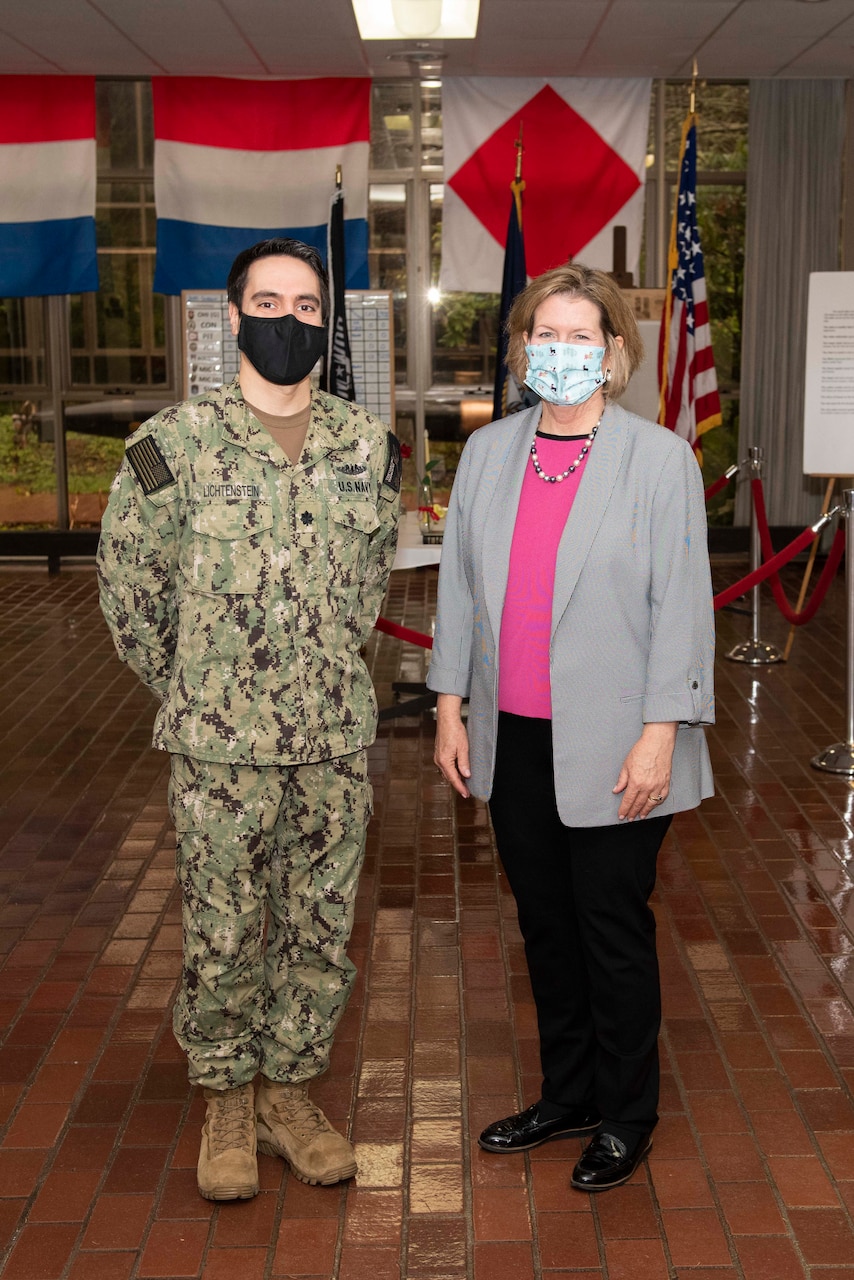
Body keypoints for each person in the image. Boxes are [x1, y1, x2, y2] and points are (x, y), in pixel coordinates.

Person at [98, 238, 401, 1201]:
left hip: (332, 742)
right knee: (224, 927)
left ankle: (291, 1092)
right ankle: (227, 1097)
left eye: (307, 308)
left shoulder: (367, 447)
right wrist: (204, 690)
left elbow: (366, 595)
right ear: (230, 317)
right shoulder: (169, 449)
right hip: (220, 748)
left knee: (319, 928)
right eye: (268, 302)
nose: (287, 321)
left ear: (325, 322)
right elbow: (130, 599)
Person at [427, 263, 714, 1193]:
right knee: (546, 927)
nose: (559, 352)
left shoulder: (660, 459)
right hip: (514, 738)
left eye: (580, 337)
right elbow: (460, 591)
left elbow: (684, 608)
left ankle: (628, 1113)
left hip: (623, 741)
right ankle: (569, 1094)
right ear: (520, 351)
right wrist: (447, 706)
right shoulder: (488, 454)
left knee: (609, 930)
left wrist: (661, 731)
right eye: (543, 336)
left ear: (616, 352)